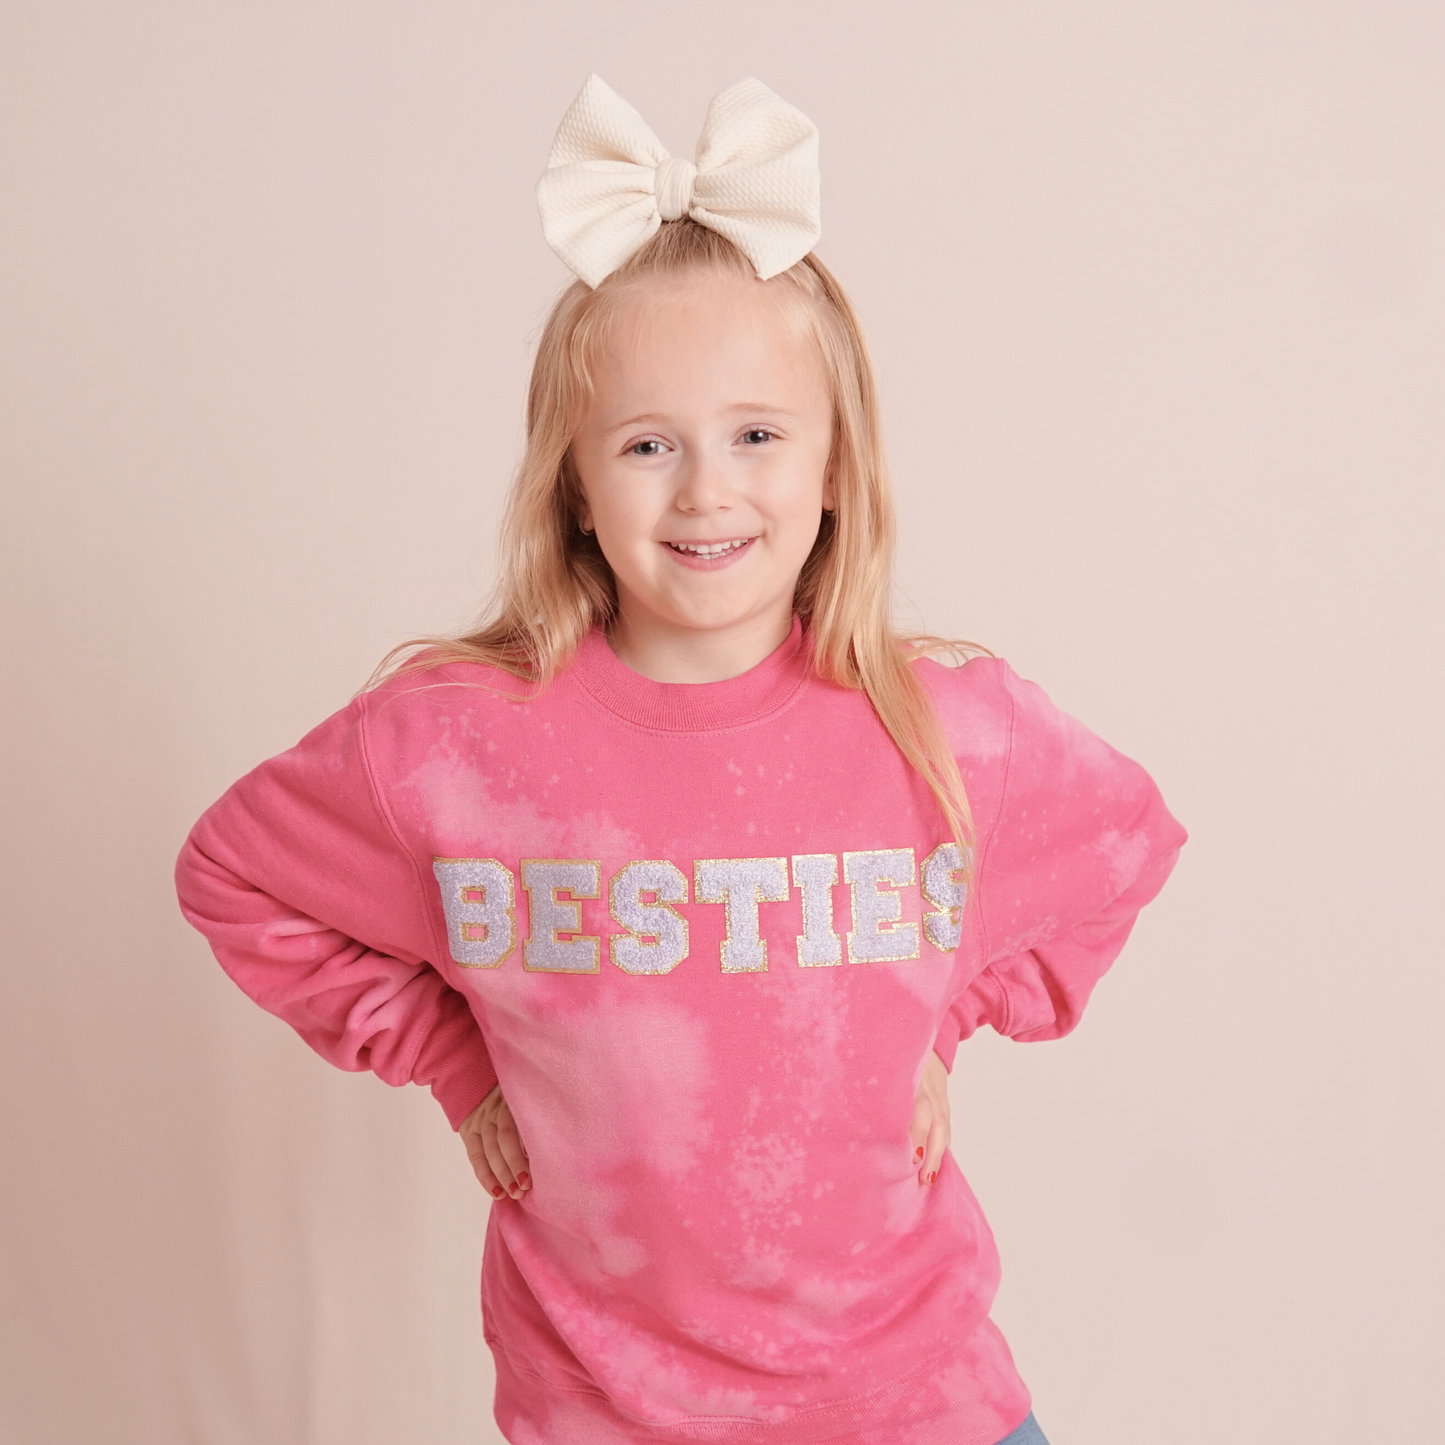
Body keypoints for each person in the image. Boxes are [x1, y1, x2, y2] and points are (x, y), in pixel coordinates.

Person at [176, 74, 1185, 1445]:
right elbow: (236, 874)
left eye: (758, 437)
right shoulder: (458, 749)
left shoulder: (946, 726)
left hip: (917, 1402)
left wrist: (940, 1020)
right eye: (649, 446)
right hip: (606, 1409)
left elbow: (1124, 845)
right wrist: (454, 1060)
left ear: (835, 467)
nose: (707, 490)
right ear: (577, 488)